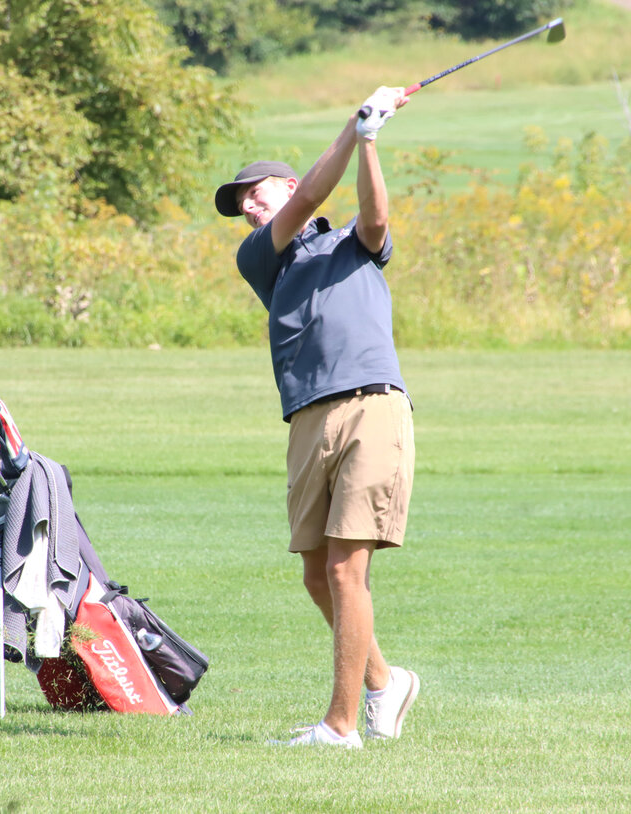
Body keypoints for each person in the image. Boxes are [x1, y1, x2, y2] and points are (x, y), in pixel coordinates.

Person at [214, 86, 418, 748]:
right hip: (307, 418)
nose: (248, 203)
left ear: (287, 180)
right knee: (315, 572)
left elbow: (374, 215)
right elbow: (308, 203)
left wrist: (368, 141)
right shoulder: (261, 258)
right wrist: (353, 124)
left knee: (343, 570)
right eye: (240, 201)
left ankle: (341, 724)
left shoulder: (354, 245)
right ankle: (386, 682)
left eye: (256, 190)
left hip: (373, 406)